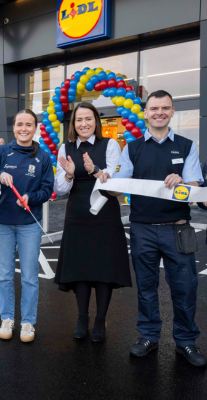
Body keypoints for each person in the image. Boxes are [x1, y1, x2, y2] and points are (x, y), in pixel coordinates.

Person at [112, 90, 206, 367]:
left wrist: (185, 184)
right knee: (147, 287)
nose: (159, 112)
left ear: (172, 111)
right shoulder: (132, 148)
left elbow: (195, 189)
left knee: (185, 287)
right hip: (142, 229)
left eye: (165, 108)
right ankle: (149, 336)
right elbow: (118, 183)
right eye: (154, 108)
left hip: (177, 229)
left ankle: (186, 341)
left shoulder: (187, 146)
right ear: (145, 113)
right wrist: (104, 175)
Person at [54, 102, 131, 342]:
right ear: (73, 124)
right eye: (79, 120)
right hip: (77, 213)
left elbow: (115, 182)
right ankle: (82, 317)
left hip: (105, 212)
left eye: (88, 119)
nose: (84, 124)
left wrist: (95, 170)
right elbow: (59, 188)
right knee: (81, 268)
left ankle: (100, 321)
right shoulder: (64, 147)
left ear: (96, 121)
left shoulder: (110, 145)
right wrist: (68, 173)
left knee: (103, 268)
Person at [0, 109, 54, 342]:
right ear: (13, 127)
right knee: (4, 275)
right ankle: (7, 318)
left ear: (35, 128)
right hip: (2, 223)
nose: (23, 129)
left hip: (29, 224)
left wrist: (30, 197)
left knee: (29, 277)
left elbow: (47, 190)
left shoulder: (43, 157)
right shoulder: (1, 152)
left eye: (29, 124)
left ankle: (27, 322)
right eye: (19, 124)